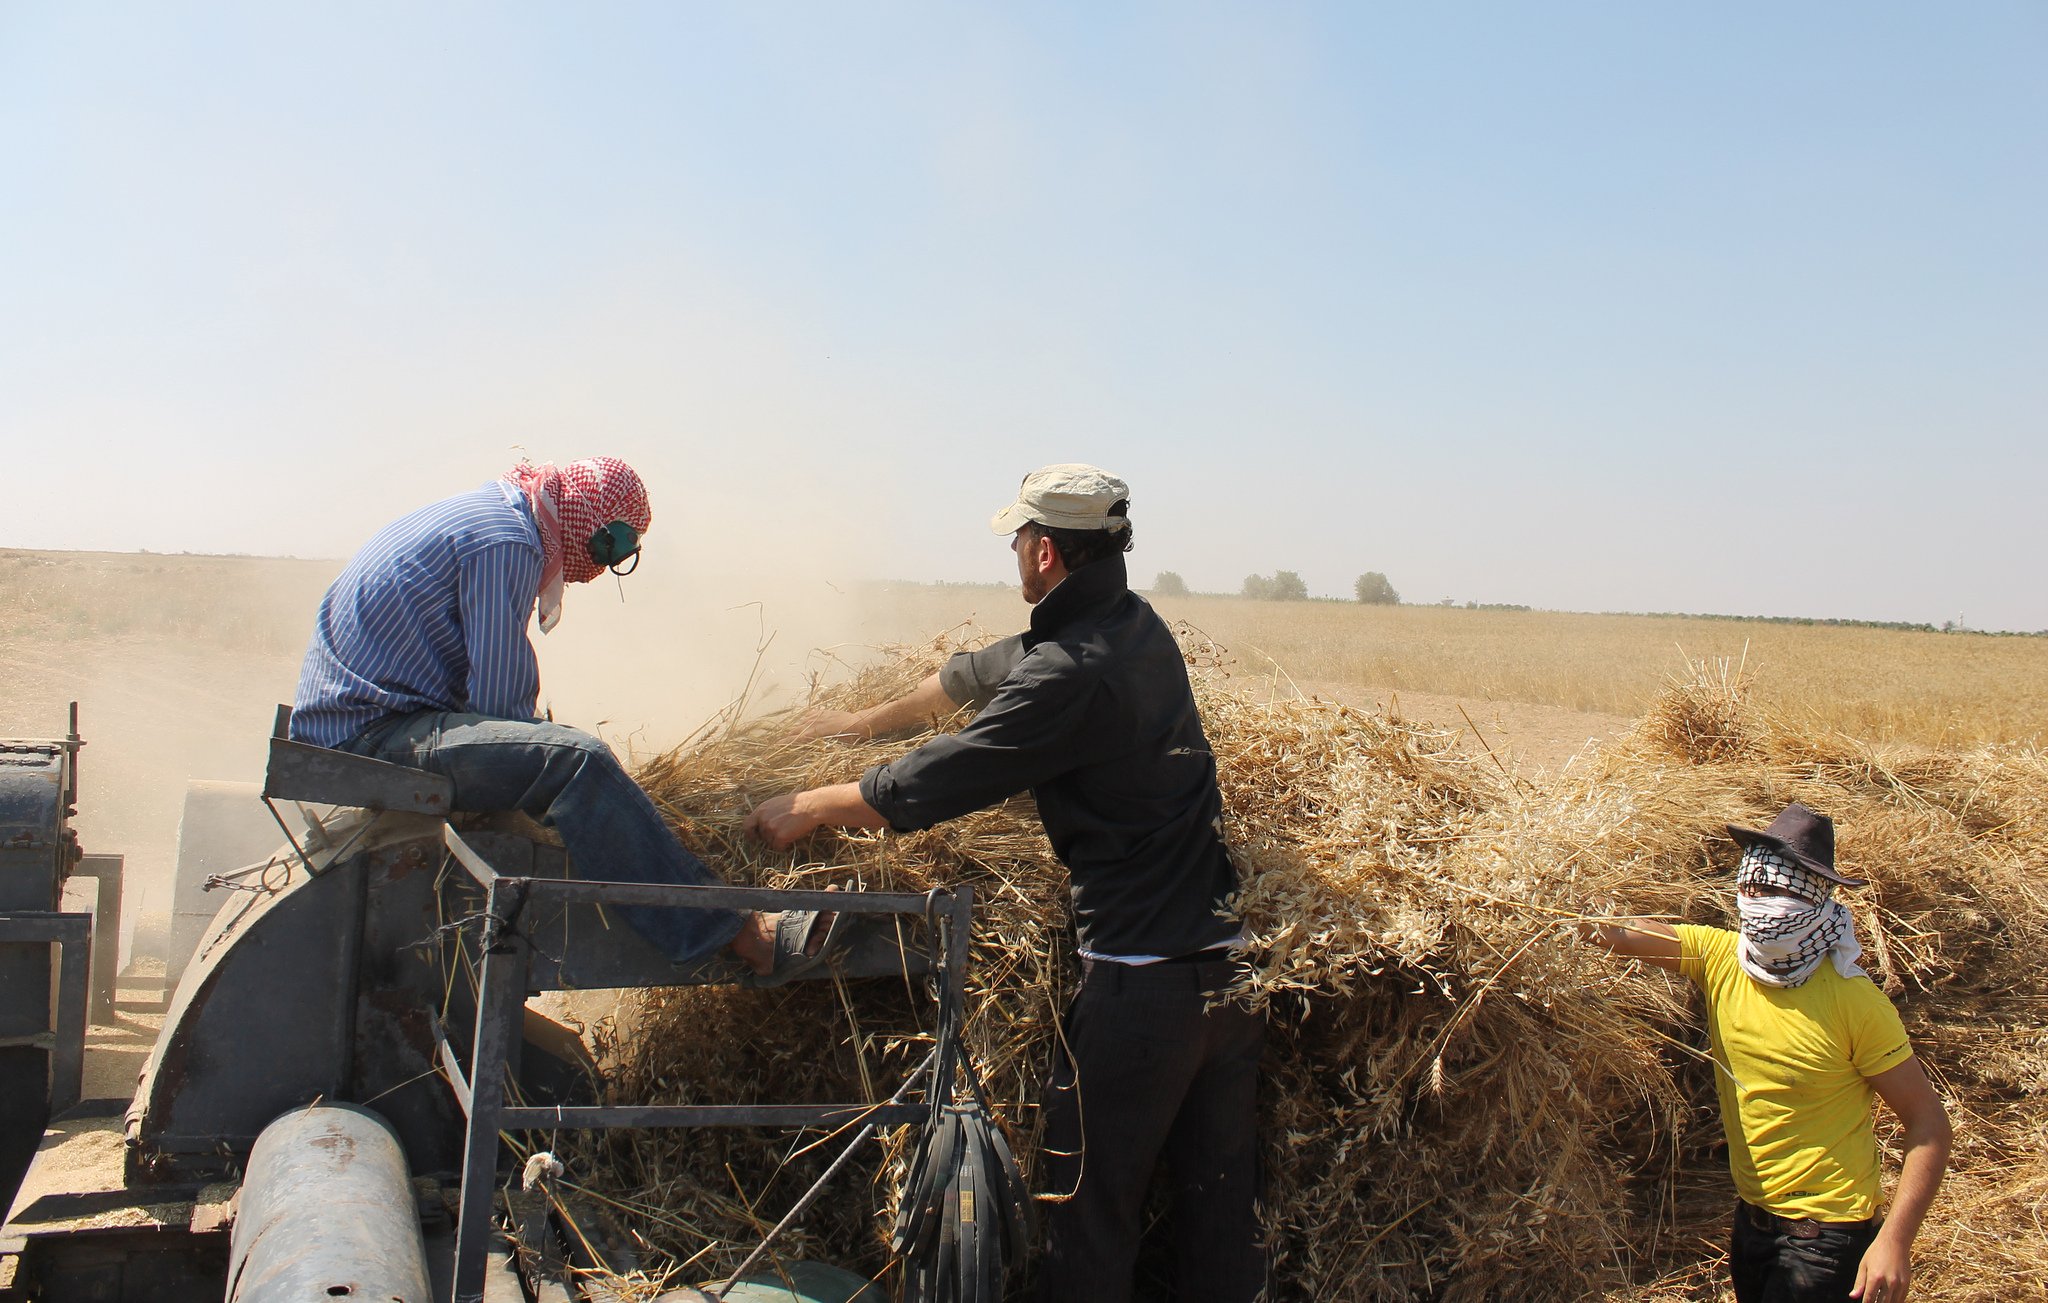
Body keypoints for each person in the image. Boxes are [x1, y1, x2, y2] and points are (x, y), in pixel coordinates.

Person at [745, 464, 1266, 1303]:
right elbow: (976, 673)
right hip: (1230, 979)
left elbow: (933, 782)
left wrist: (809, 802)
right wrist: (854, 723)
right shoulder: (1132, 626)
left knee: (1089, 1220)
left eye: (1019, 539)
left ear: (1047, 551)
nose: (1014, 553)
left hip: (1142, 994)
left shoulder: (1070, 673)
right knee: (1217, 1223)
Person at [290, 456, 832, 983]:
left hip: (368, 719)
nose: (602, 565)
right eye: (610, 543)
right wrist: (554, 762)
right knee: (578, 762)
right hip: (373, 733)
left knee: (558, 752)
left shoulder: (502, 515)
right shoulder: (507, 542)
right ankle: (738, 935)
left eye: (623, 551)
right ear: (583, 513)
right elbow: (499, 705)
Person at [1581, 803, 1950, 1303]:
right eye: (1750, 889)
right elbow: (1610, 932)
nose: (1757, 904)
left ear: (1814, 898)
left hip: (1829, 1237)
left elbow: (1928, 1123)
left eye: (1774, 890)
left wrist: (1895, 1240)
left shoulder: (1855, 1003)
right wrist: (1530, 896)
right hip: (1751, 1222)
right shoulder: (1721, 960)